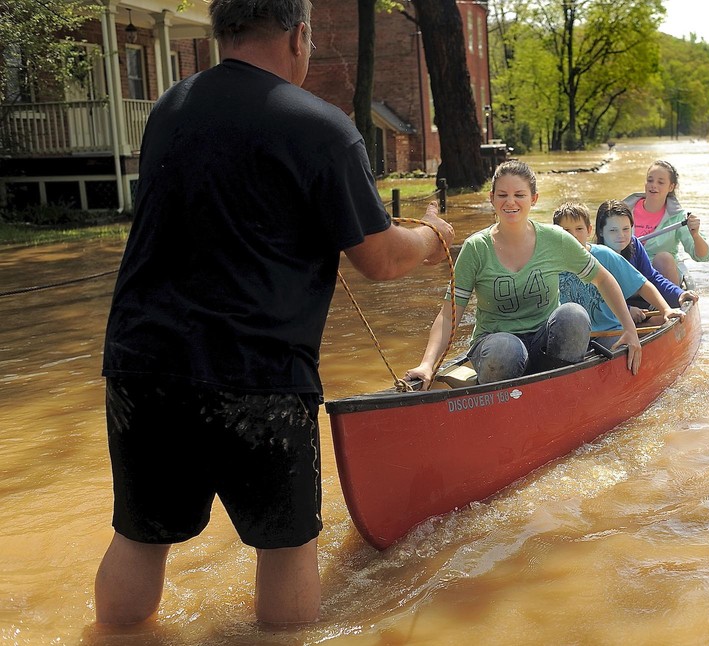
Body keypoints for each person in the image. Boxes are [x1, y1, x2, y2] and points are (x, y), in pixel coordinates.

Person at [95, 0, 454, 627]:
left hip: (142, 365)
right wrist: (431, 236)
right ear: (297, 35)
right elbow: (379, 260)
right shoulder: (322, 127)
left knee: (140, 535)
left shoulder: (167, 109)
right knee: (286, 549)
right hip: (258, 374)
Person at [405, 161, 641, 390]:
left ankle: (558, 387)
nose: (510, 202)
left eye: (519, 195)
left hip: (544, 343)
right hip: (496, 345)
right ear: (492, 198)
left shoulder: (555, 239)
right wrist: (427, 364)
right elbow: (449, 313)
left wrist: (629, 330)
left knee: (574, 315)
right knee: (507, 350)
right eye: (502, 195)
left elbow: (603, 278)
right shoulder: (476, 247)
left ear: (534, 199)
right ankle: (501, 397)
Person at [552, 202, 683, 333]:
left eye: (579, 229)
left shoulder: (606, 254)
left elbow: (645, 281)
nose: (573, 235)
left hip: (609, 329)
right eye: (566, 230)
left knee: (665, 261)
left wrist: (669, 306)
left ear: (589, 230)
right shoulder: (549, 261)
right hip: (572, 332)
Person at [594, 199, 699, 311]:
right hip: (609, 312)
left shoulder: (634, 244)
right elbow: (595, 299)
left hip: (638, 303)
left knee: (664, 315)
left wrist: (679, 294)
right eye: (613, 230)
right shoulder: (595, 257)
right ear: (601, 231)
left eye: (626, 229)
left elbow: (652, 277)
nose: (621, 235)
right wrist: (628, 310)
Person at [622, 160, 709, 286]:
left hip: (662, 275)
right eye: (650, 180)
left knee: (663, 258)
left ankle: (670, 301)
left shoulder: (679, 217)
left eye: (660, 182)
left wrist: (695, 235)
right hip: (629, 270)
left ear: (671, 187)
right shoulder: (623, 211)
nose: (653, 185)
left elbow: (703, 256)